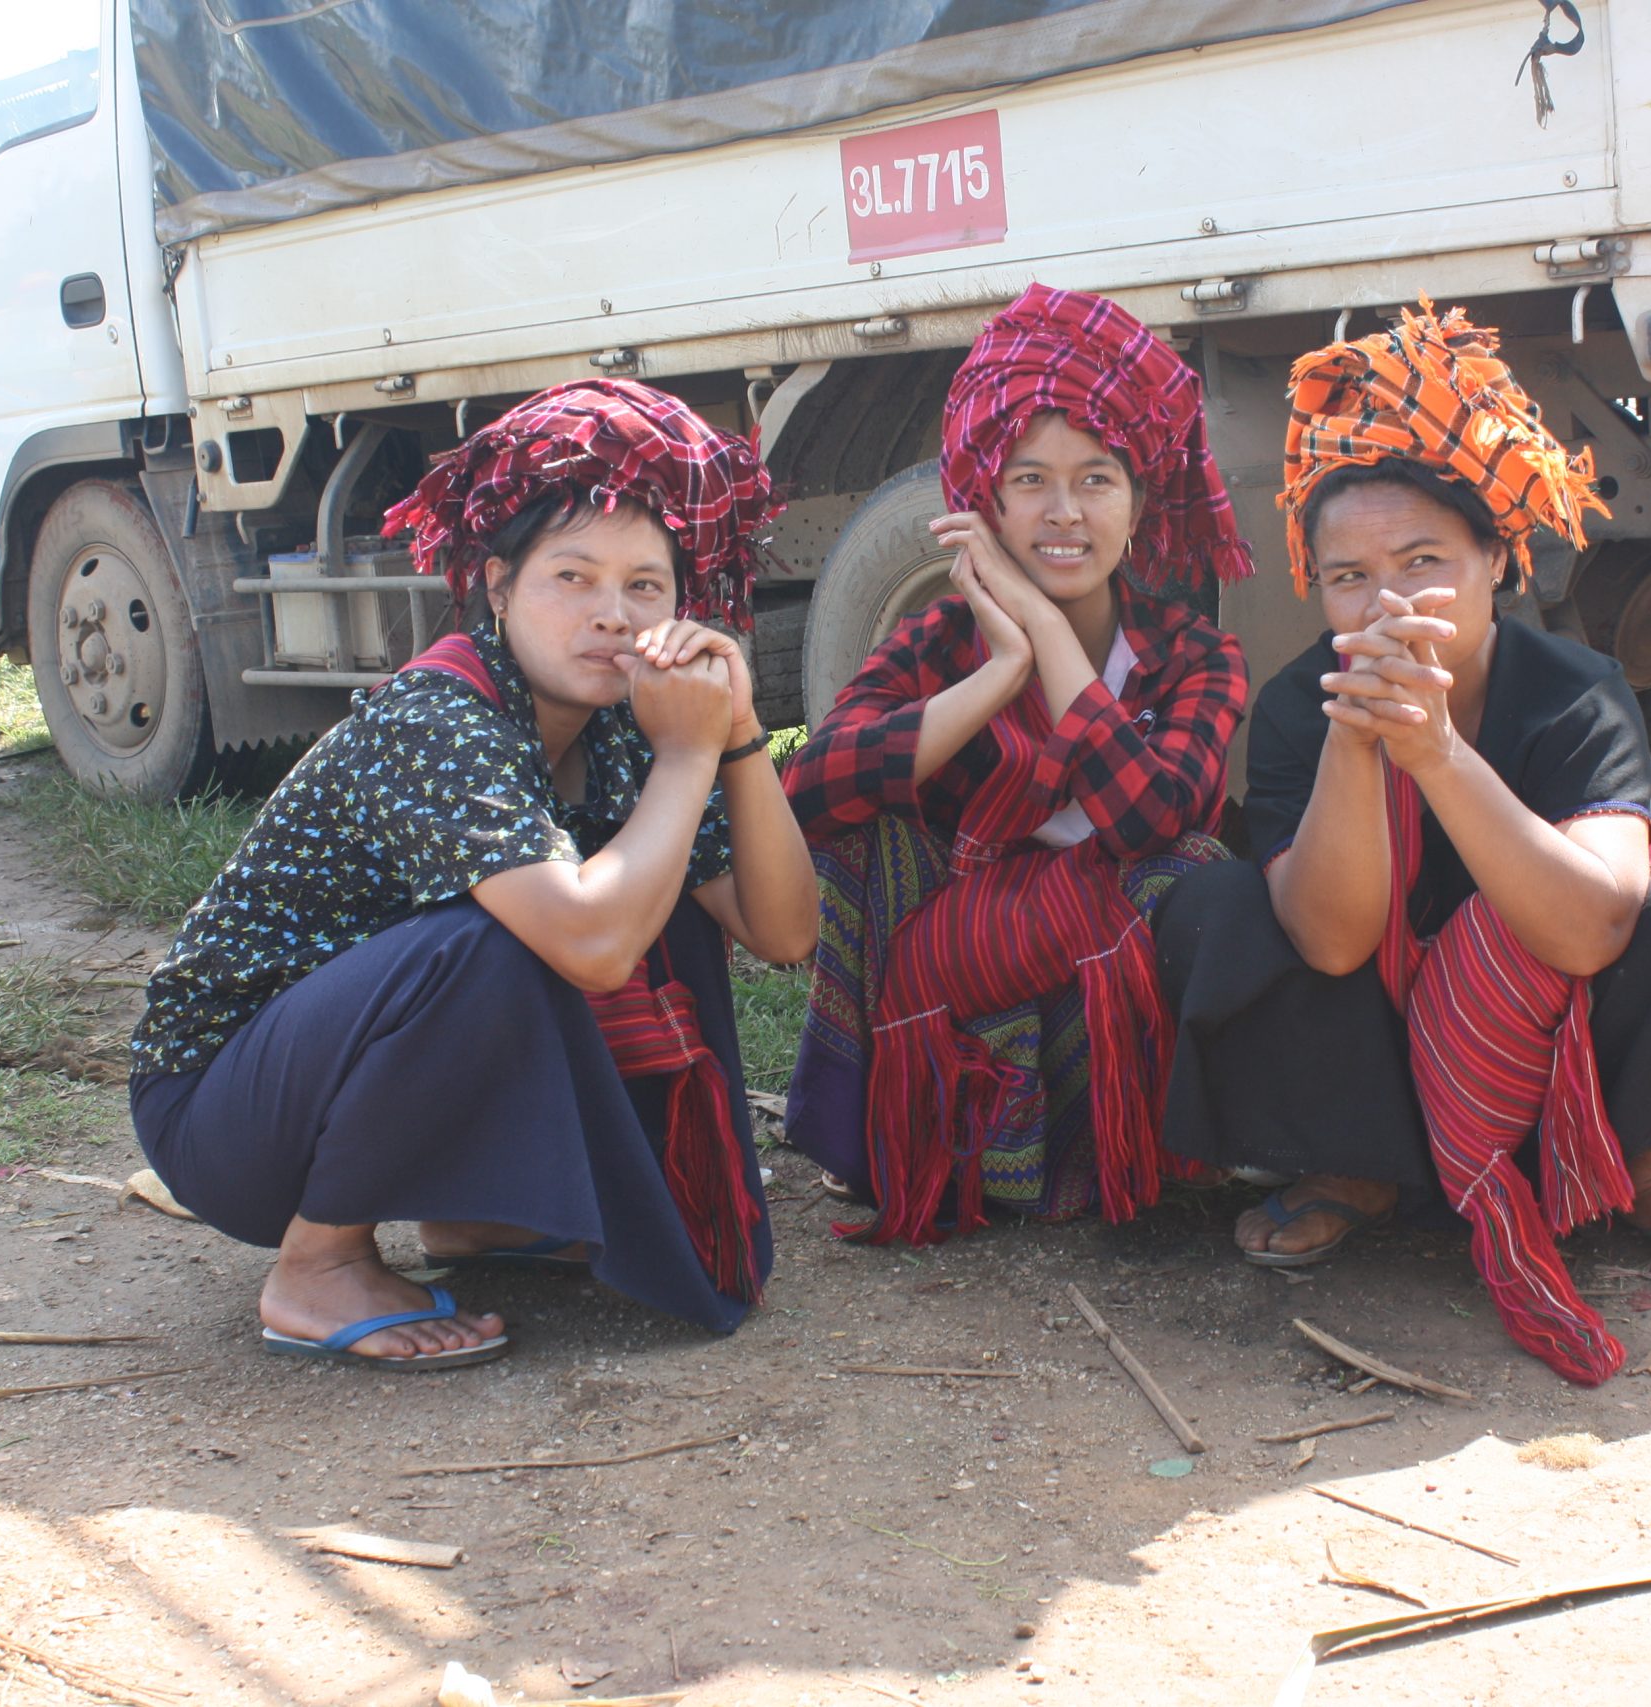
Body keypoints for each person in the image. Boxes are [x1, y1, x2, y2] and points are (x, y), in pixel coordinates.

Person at [127, 379, 818, 1369]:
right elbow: (588, 943)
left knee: (657, 892)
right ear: (497, 586)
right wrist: (683, 762)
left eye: (644, 587)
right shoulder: (437, 717)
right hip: (225, 1116)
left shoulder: (630, 723)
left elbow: (784, 934)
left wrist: (736, 734)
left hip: (340, 1088)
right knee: (501, 939)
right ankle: (316, 1268)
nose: (610, 617)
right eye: (570, 578)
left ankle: (474, 1213)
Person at [1154, 306, 1651, 1385]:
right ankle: (1360, 1170)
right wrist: (1363, 751)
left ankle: (1640, 1168)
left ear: (1501, 557)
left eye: (1423, 560)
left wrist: (1439, 756)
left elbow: (1591, 931)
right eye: (1348, 576)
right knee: (1213, 910)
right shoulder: (1303, 705)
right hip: (1383, 1044)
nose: (1387, 600)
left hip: (1547, 1046)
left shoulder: (1573, 695)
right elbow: (1332, 944)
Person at [781, 284, 1252, 1244]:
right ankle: (891, 1131)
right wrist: (1000, 672)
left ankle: (1119, 1148)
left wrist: (1046, 630)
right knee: (863, 833)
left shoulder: (1194, 655)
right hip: (956, 949)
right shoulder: (940, 639)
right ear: (986, 500)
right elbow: (810, 788)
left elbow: (1150, 817)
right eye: (1030, 479)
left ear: (1139, 503)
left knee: (1191, 874)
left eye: (1096, 480)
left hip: (1101, 953)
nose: (1063, 512)